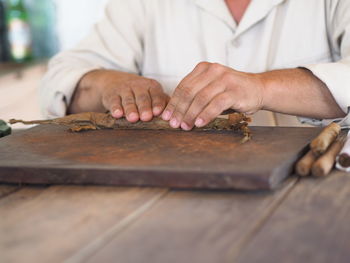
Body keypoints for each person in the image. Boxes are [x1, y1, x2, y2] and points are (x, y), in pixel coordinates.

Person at [40, 0, 350, 129]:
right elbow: (62, 79)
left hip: (316, 194)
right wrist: (109, 85)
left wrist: (262, 87)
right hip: (169, 201)